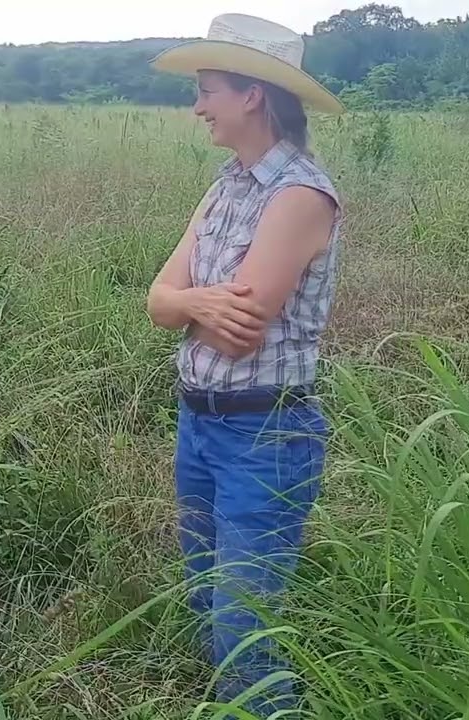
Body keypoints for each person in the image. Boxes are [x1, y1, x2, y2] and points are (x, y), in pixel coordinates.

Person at [145, 13, 347, 714]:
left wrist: (185, 301)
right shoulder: (228, 185)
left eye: (208, 91)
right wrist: (197, 300)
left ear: (252, 95)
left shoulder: (297, 195)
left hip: (265, 435)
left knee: (242, 624)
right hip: (199, 423)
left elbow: (239, 334)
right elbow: (157, 302)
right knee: (206, 590)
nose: (198, 107)